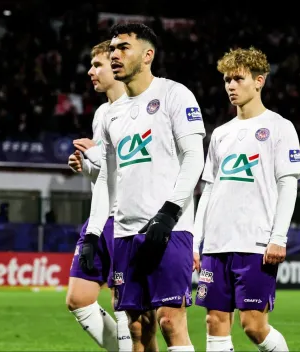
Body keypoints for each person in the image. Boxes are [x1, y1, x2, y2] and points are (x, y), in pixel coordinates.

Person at [78, 23, 206, 352]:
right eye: (113, 48)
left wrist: (168, 214)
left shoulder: (175, 95)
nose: (115, 54)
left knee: (169, 320)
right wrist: (93, 233)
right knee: (137, 327)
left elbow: (194, 158)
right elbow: (106, 178)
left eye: (124, 48)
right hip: (124, 234)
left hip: (170, 229)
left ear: (148, 55)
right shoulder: (108, 115)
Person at [193, 47, 300, 352]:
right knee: (215, 320)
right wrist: (195, 241)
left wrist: (278, 237)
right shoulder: (220, 134)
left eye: (238, 79)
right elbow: (209, 189)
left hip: (255, 243)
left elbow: (288, 185)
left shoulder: (280, 128)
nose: (230, 85)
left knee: (253, 325)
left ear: (259, 81)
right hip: (216, 245)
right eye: (227, 79)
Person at [66, 40, 132, 352]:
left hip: (126, 219)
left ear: (117, 67)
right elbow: (104, 174)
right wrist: (86, 165)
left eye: (98, 65)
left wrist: (95, 157)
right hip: (99, 217)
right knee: (78, 299)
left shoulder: (137, 112)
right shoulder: (102, 113)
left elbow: (135, 173)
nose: (91, 71)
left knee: (123, 304)